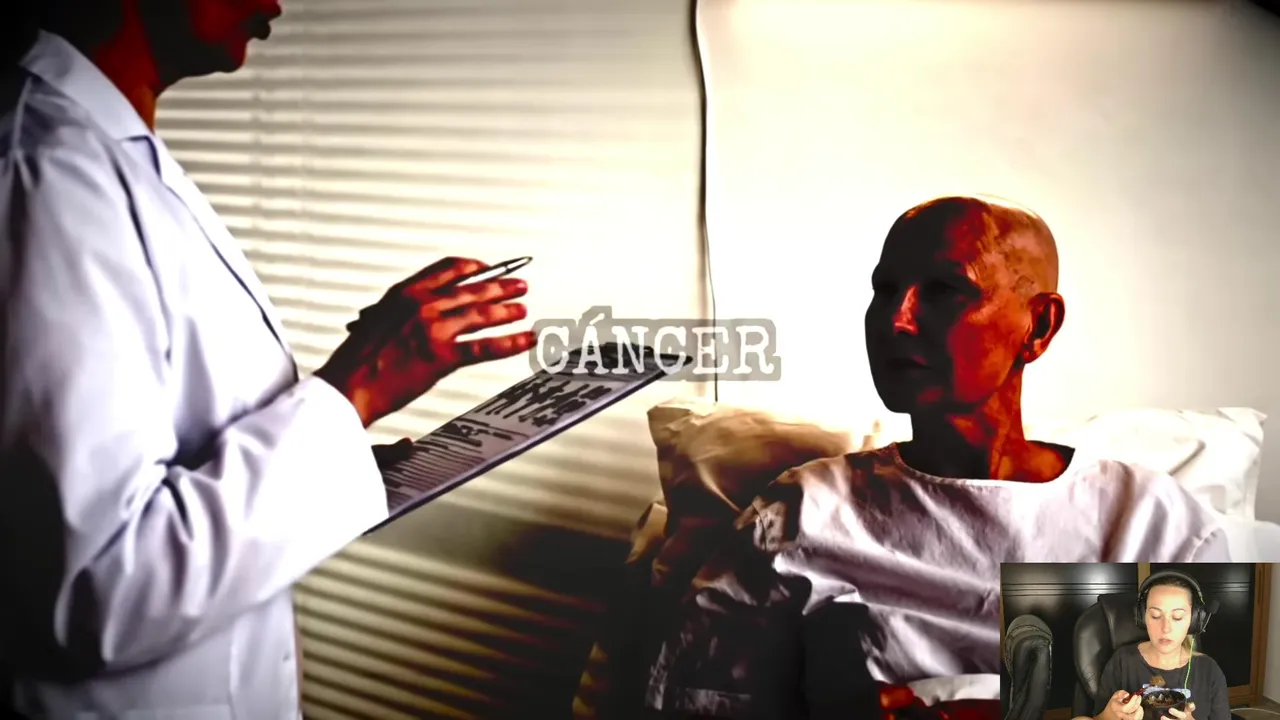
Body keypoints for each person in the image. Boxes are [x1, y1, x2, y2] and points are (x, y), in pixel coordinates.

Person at [0, 1, 535, 718]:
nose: (277, 1)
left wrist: (331, 458)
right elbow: (96, 589)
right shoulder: (46, 172)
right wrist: (355, 389)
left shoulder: (113, 151)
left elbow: (164, 438)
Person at [583, 195, 1229, 719]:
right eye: (885, 289)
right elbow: (695, 702)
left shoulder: (1152, 522)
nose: (896, 320)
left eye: (945, 290)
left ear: (1037, 327)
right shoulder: (804, 513)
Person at [1085, 571, 1229, 720]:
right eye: (1155, 616)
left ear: (1193, 622)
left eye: (1177, 617)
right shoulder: (1122, 662)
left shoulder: (1210, 671)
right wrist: (1110, 715)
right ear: (1142, 617)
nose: (1165, 628)